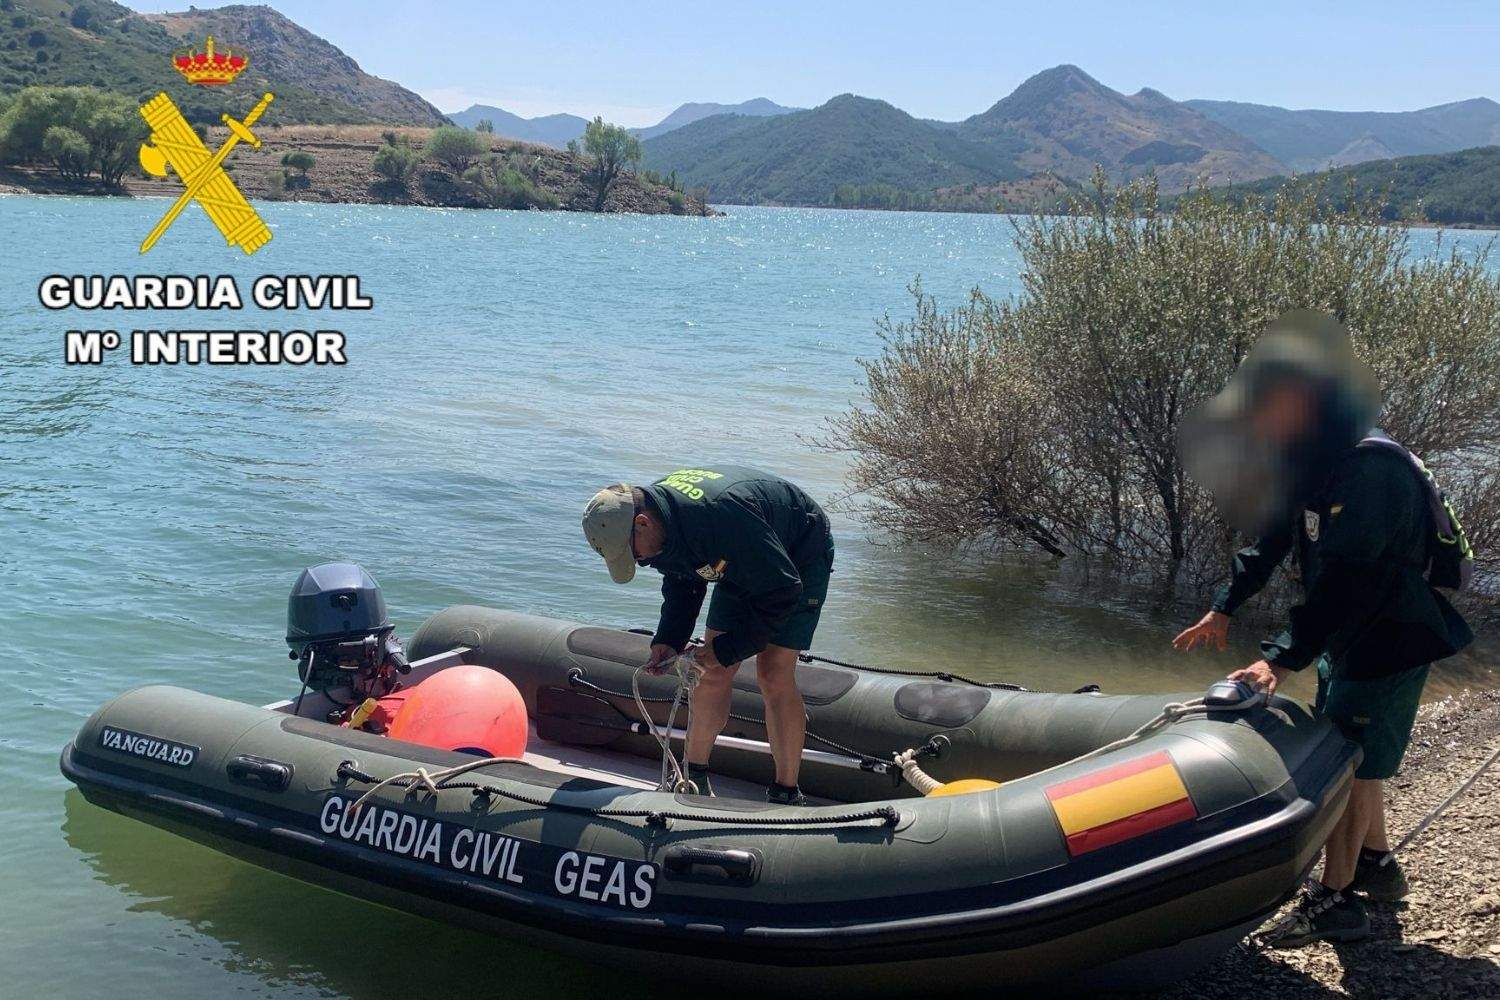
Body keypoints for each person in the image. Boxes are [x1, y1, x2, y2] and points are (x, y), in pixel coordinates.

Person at [1175, 310, 1472, 948]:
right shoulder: (1311, 454)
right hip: (1349, 636)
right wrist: (1225, 604)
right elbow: (1274, 535)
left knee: (1345, 767)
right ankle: (1377, 868)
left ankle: (1337, 901)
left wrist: (1280, 660)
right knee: (1356, 761)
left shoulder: (1370, 470)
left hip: (1389, 638)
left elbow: (1347, 582)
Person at [581, 466, 835, 805]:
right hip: (736, 554)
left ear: (642, 523)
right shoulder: (660, 518)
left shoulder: (718, 516)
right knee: (711, 671)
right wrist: (668, 639)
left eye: (635, 555)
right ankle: (693, 774)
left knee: (773, 672)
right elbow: (682, 580)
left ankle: (786, 790)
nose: (640, 563)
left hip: (796, 555)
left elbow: (783, 590)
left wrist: (729, 649)